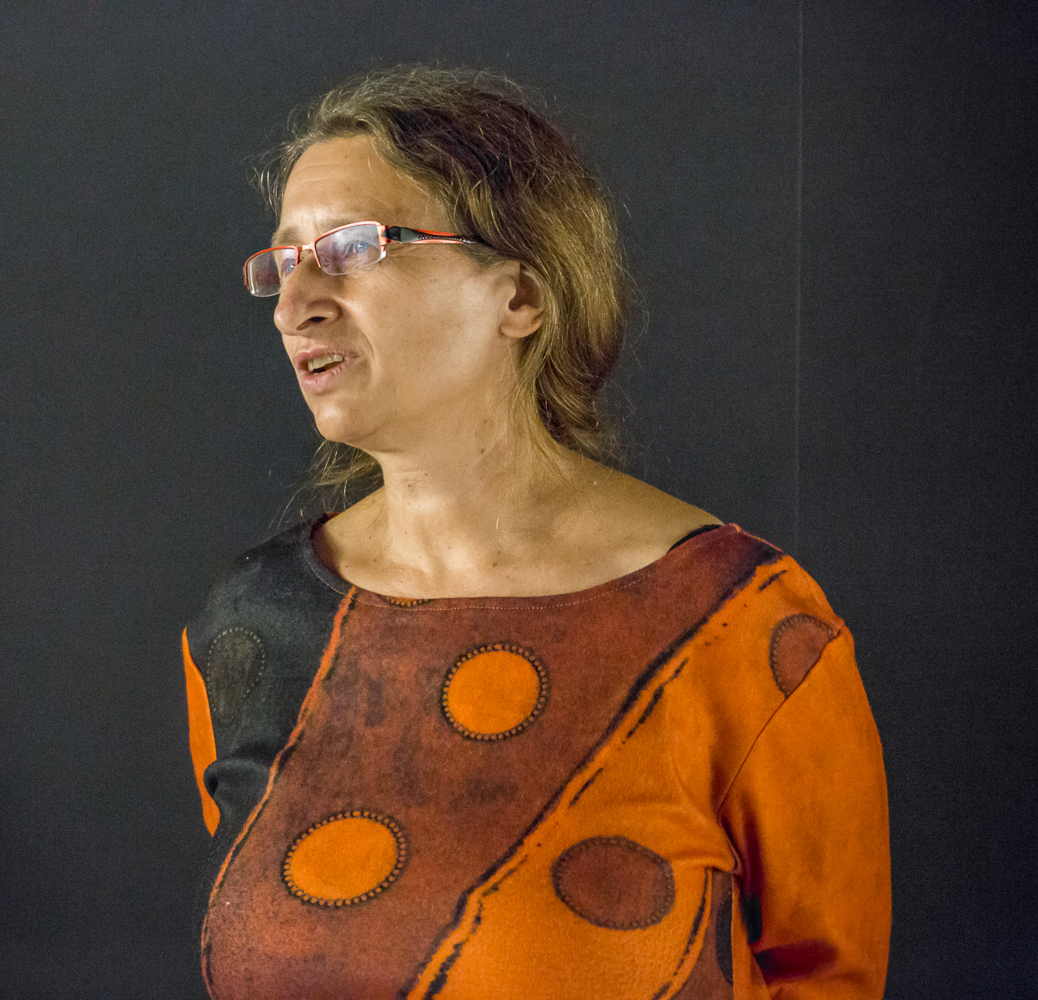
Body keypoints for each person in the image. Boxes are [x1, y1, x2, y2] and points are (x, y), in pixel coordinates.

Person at [179, 65, 890, 999]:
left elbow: (830, 978)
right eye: (281, 263)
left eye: (352, 248)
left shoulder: (740, 629)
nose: (292, 304)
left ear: (520, 296)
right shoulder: (251, 627)